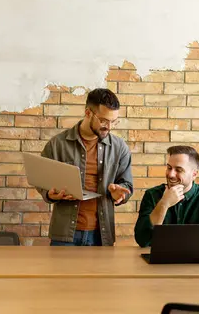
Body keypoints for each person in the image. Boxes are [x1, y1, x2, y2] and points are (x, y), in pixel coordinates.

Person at [37, 88, 133, 246]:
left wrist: (120, 194)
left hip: (101, 235)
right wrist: (50, 194)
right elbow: (41, 179)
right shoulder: (58, 144)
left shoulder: (119, 147)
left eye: (113, 121)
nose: (109, 126)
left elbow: (126, 185)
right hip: (64, 235)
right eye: (103, 120)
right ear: (88, 113)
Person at [134, 145, 199, 264]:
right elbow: (142, 239)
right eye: (169, 168)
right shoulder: (152, 195)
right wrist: (164, 203)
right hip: (157, 267)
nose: (171, 174)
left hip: (198, 269)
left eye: (178, 170)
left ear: (194, 174)